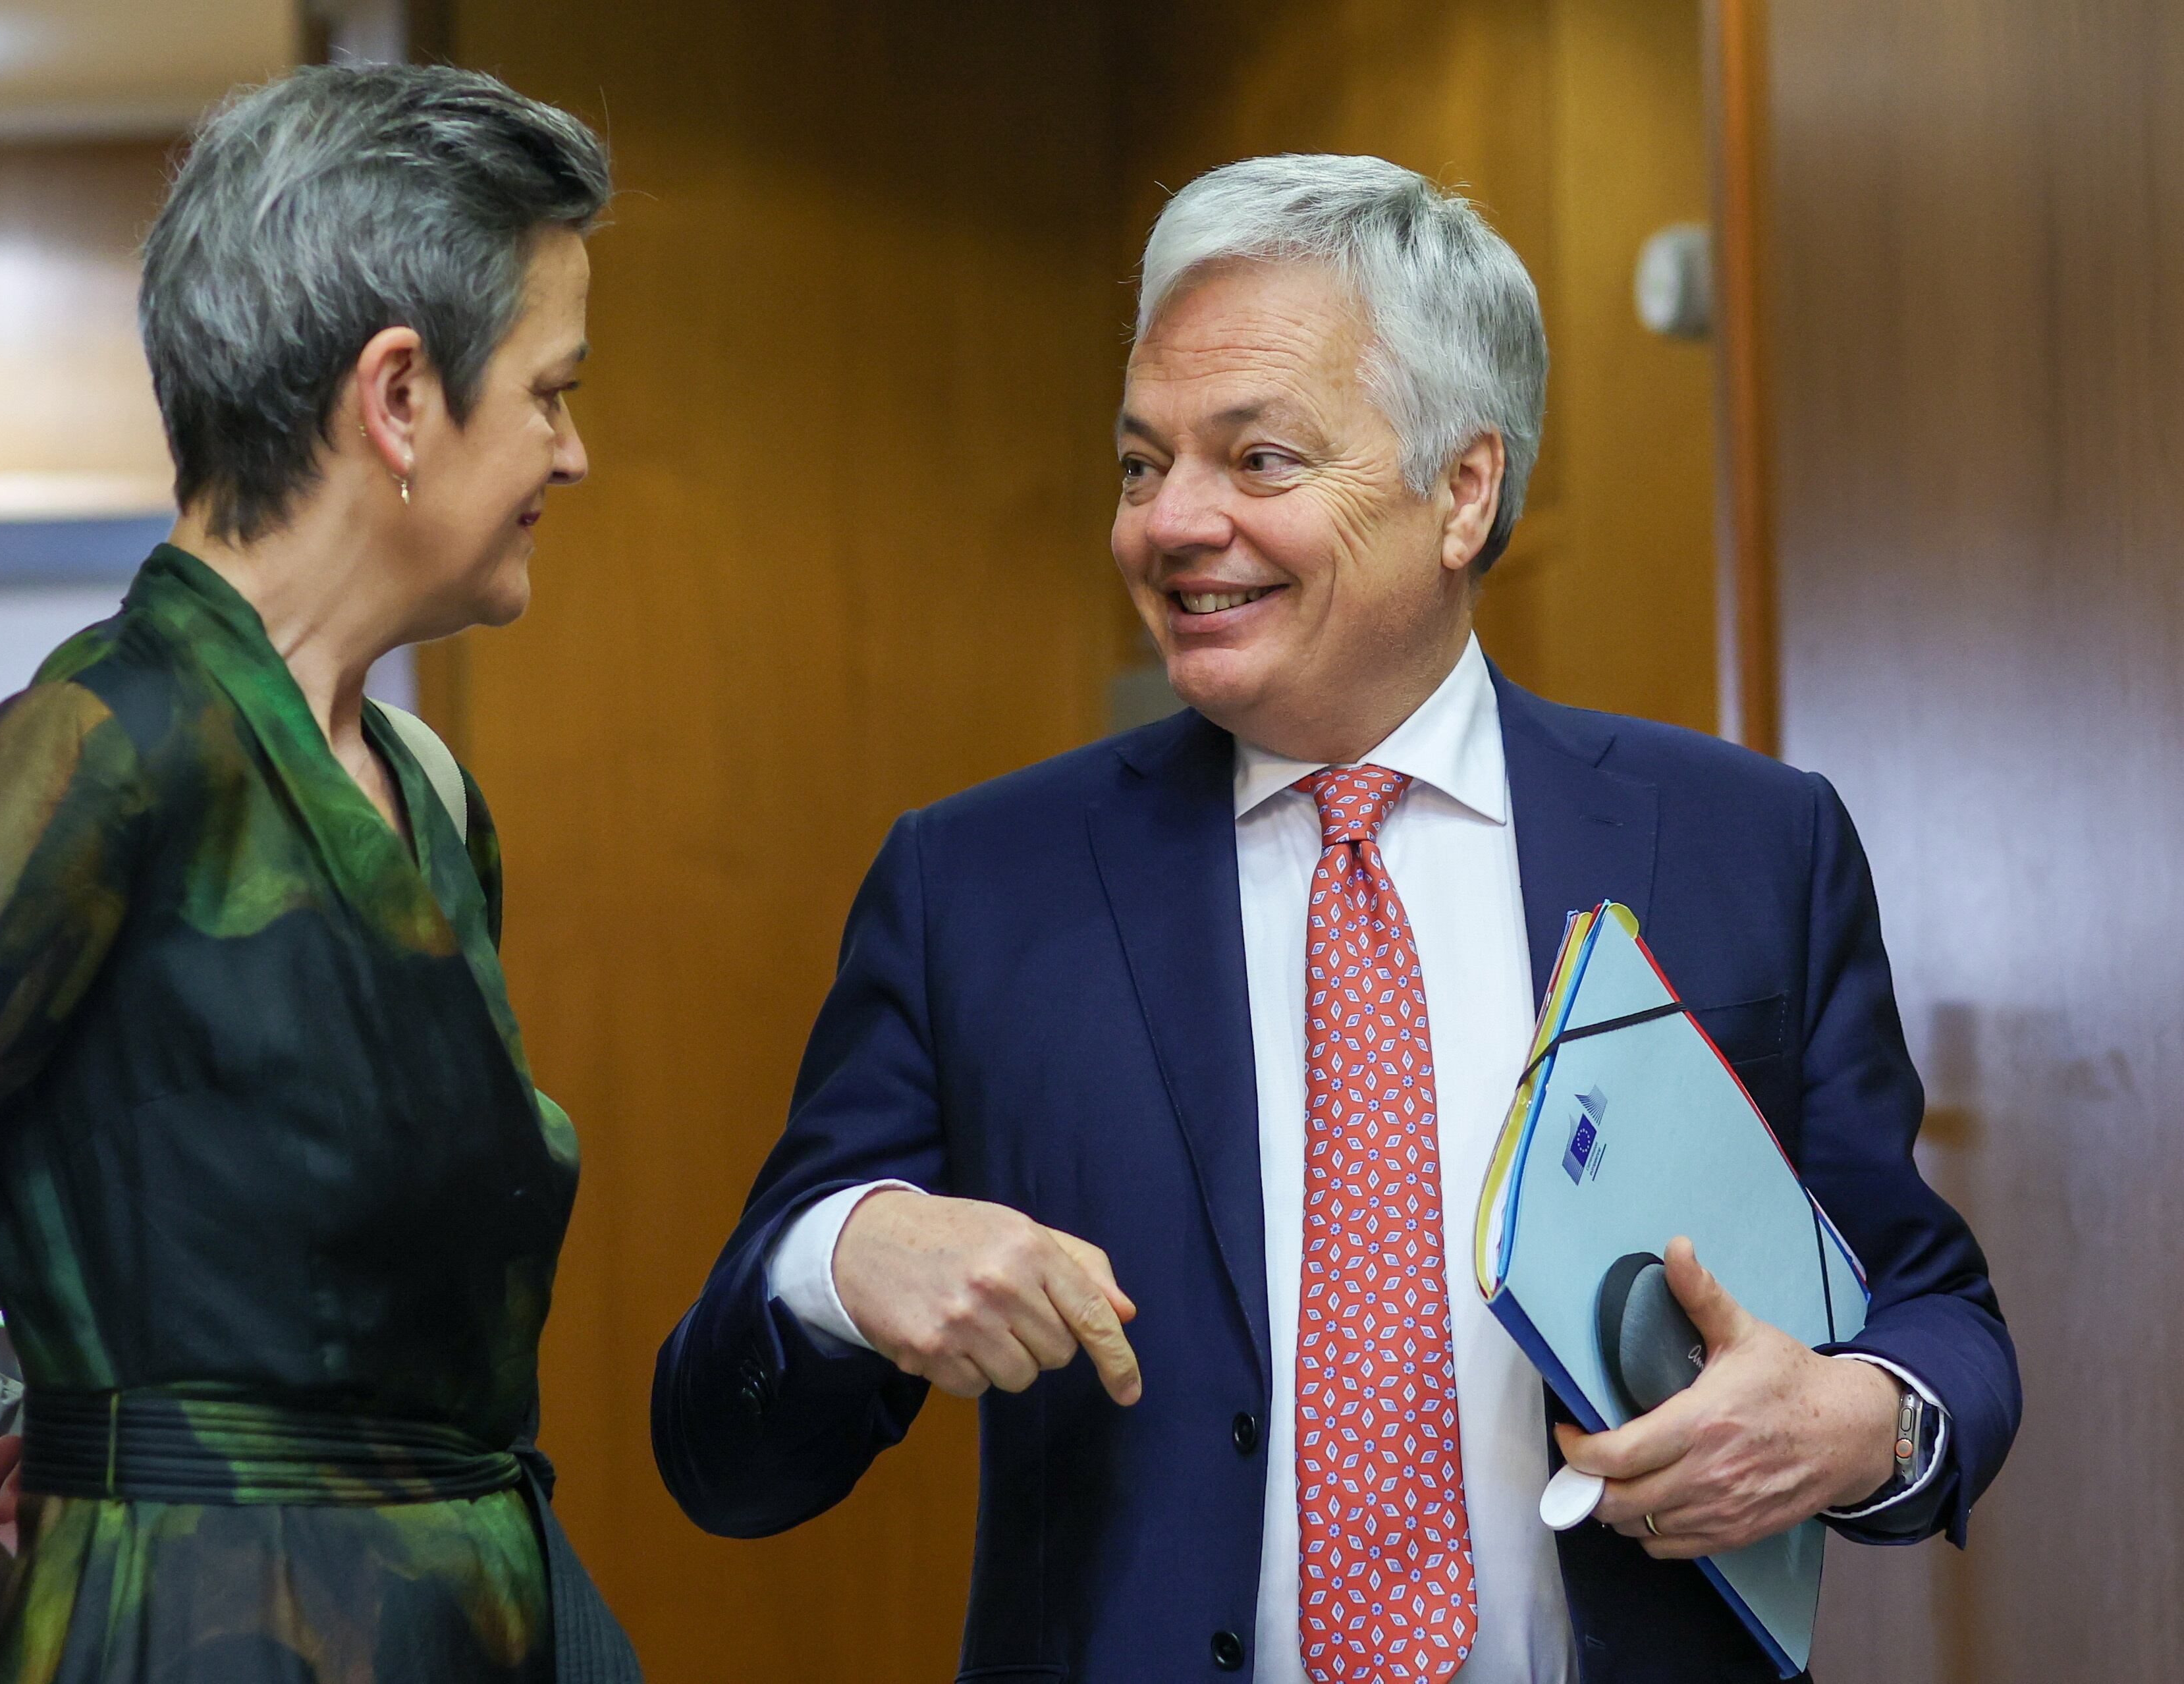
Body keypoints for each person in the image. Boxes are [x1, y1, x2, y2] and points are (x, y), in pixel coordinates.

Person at [651, 155, 2019, 1683]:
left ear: (1463, 491)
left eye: (1260, 460)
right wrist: (840, 1256)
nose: (1171, 523)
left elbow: (1930, 1307)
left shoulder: (1746, 844)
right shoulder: (976, 884)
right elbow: (728, 1461)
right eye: (1137, 463)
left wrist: (1863, 1419)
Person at [0, 64, 639, 1683]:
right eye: (550, 389)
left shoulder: (425, 794)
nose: (571, 453)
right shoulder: (94, 753)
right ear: (398, 397)